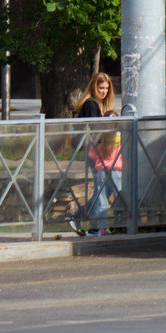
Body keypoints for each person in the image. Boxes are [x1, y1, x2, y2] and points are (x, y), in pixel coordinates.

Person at [72, 72, 122, 236]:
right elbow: (96, 131)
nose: (104, 92)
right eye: (101, 88)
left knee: (102, 193)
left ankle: (84, 221)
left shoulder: (98, 104)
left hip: (101, 153)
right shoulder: (92, 105)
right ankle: (87, 222)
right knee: (102, 192)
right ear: (94, 87)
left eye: (106, 88)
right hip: (97, 154)